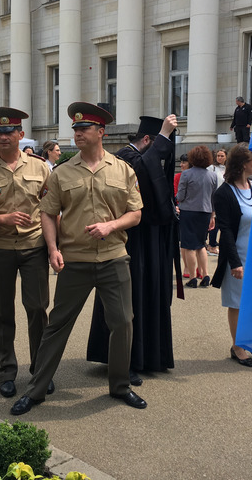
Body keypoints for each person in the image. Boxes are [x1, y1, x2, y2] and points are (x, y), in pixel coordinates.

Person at [10, 102, 146, 416]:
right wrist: (53, 249)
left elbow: (136, 213)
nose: (77, 133)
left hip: (113, 258)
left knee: (123, 323)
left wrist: (111, 225)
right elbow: (47, 213)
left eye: (83, 128)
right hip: (74, 260)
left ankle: (120, 386)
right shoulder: (61, 173)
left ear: (101, 132)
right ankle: (36, 391)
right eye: (74, 128)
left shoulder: (123, 169)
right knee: (57, 325)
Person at [86, 114, 179, 386]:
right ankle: (125, 359)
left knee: (149, 293)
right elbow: (143, 169)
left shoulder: (142, 155)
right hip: (129, 238)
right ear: (148, 139)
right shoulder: (125, 158)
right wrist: (164, 136)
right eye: (158, 144)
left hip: (151, 236)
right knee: (129, 298)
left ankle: (149, 356)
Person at [0, 107, 54, 399]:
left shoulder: (41, 167)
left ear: (21, 135)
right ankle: (6, 372)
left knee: (37, 309)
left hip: (34, 247)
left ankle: (41, 369)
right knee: (3, 312)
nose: (4, 137)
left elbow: (51, 209)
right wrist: (3, 219)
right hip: (0, 248)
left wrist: (56, 247)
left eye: (9, 132)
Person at [210, 143, 252, 366]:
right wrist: (235, 263)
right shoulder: (224, 193)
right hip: (238, 257)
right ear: (244, 164)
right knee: (238, 304)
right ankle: (238, 346)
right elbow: (226, 231)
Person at [176, 145, 217, 288]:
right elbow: (213, 198)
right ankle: (205, 274)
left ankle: (192, 277)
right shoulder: (212, 175)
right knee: (201, 244)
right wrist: (213, 216)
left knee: (188, 246)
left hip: (188, 211)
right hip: (205, 212)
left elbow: (180, 196)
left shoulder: (186, 174)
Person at [205, 148, 227, 256]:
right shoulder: (212, 168)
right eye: (218, 155)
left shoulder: (227, 169)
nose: (220, 158)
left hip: (225, 198)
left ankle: (215, 243)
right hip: (213, 197)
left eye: (222, 156)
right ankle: (211, 244)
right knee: (214, 222)